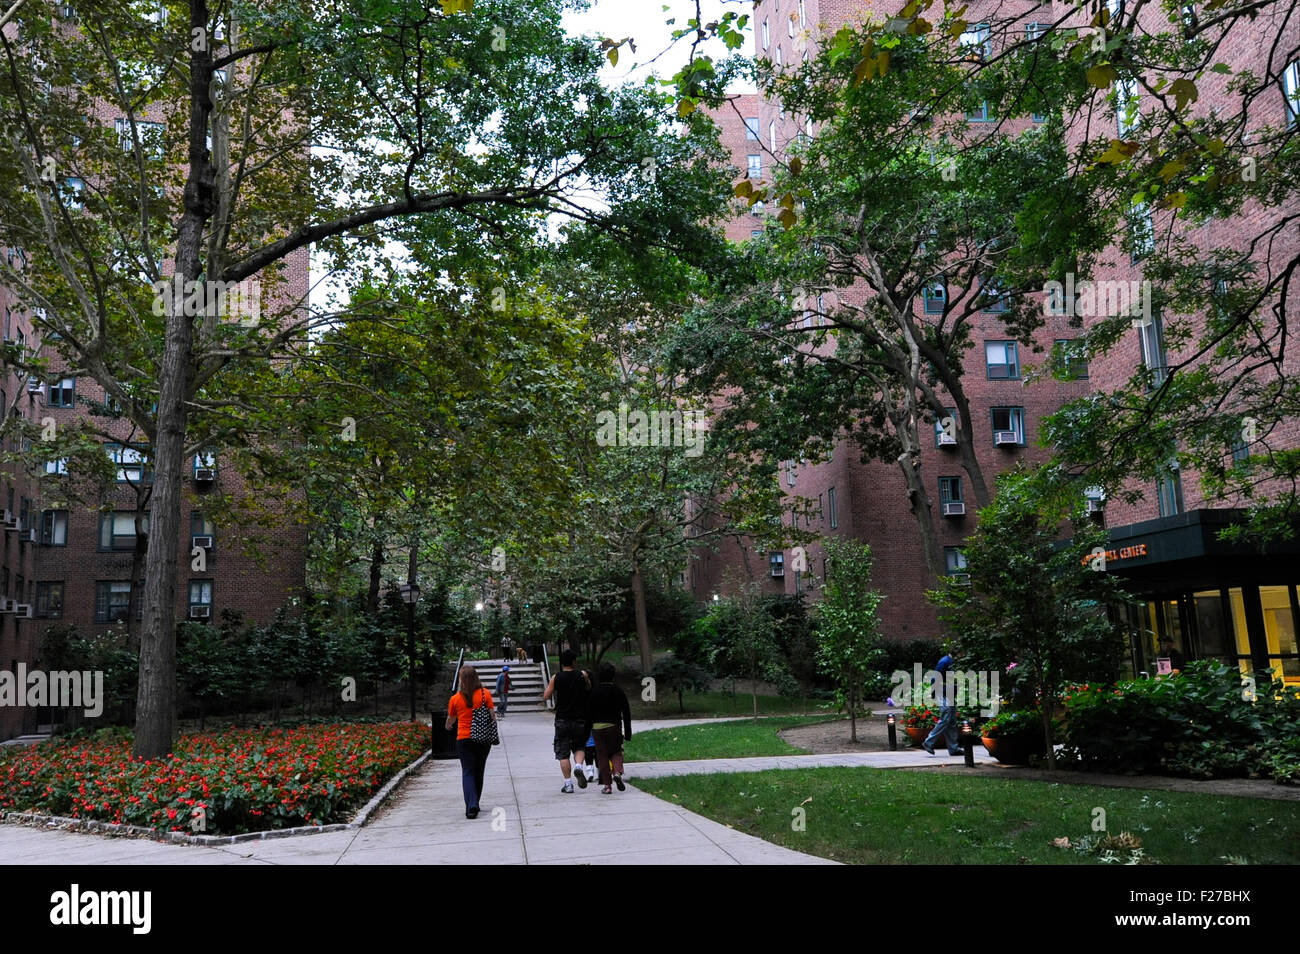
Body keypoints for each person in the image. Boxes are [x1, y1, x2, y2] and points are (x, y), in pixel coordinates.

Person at [446, 665, 495, 819]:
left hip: (464, 739)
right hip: (482, 739)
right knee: (479, 771)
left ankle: (471, 806)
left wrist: (448, 725)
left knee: (467, 772)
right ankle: (475, 803)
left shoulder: (455, 699)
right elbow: (492, 715)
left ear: (461, 680)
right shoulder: (484, 694)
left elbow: (451, 718)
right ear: (475, 677)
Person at [542, 648, 591, 793]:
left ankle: (568, 784)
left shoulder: (556, 678)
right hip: (579, 719)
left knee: (563, 753)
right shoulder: (582, 675)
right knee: (580, 747)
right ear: (574, 662)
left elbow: (546, 696)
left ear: (562, 663)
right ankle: (578, 766)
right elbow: (589, 688)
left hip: (562, 719)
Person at [584, 662, 632, 793]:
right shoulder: (618, 691)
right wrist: (628, 733)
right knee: (616, 751)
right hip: (614, 726)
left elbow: (588, 714)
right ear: (613, 676)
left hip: (598, 728)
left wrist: (585, 732)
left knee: (602, 755)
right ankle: (617, 773)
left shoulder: (594, 692)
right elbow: (626, 712)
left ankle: (607, 786)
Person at [922, 649, 965, 757]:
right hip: (942, 692)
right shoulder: (944, 662)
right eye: (962, 652)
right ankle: (928, 742)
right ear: (957, 652)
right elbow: (935, 678)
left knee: (951, 720)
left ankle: (953, 748)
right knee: (946, 717)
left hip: (948, 693)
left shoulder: (952, 662)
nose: (963, 654)